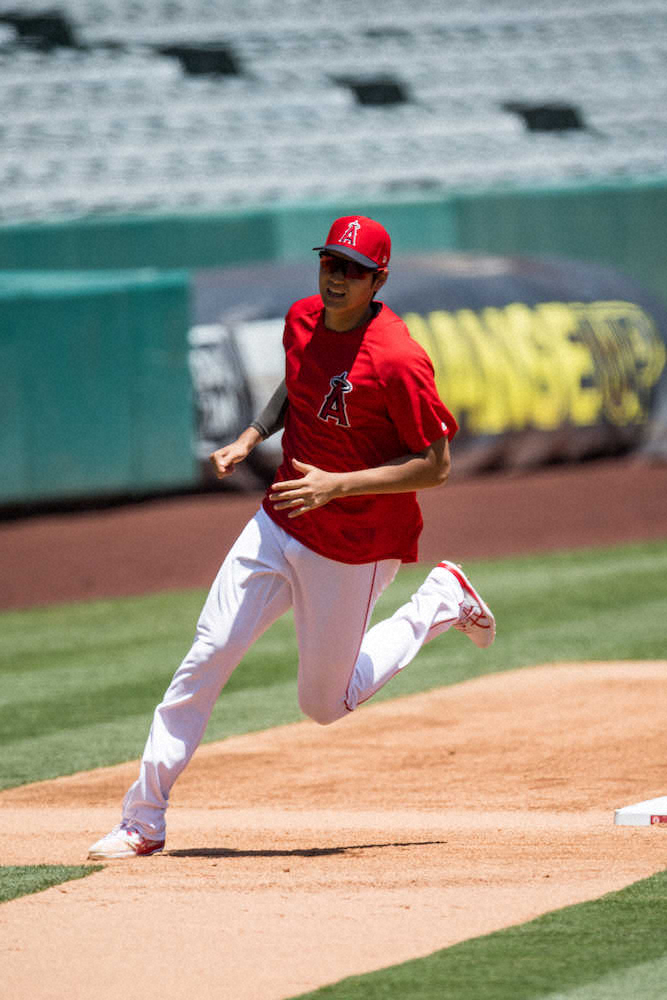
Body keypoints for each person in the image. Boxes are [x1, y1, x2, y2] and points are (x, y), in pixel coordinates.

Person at [88, 215, 496, 860]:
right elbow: (297, 383)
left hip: (355, 544)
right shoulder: (304, 317)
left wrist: (336, 486)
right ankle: (143, 819)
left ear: (378, 280)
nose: (337, 278)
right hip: (278, 521)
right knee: (206, 655)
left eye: (354, 270)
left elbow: (436, 465)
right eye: (331, 263)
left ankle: (439, 601)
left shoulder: (397, 358)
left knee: (323, 705)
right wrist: (252, 436)